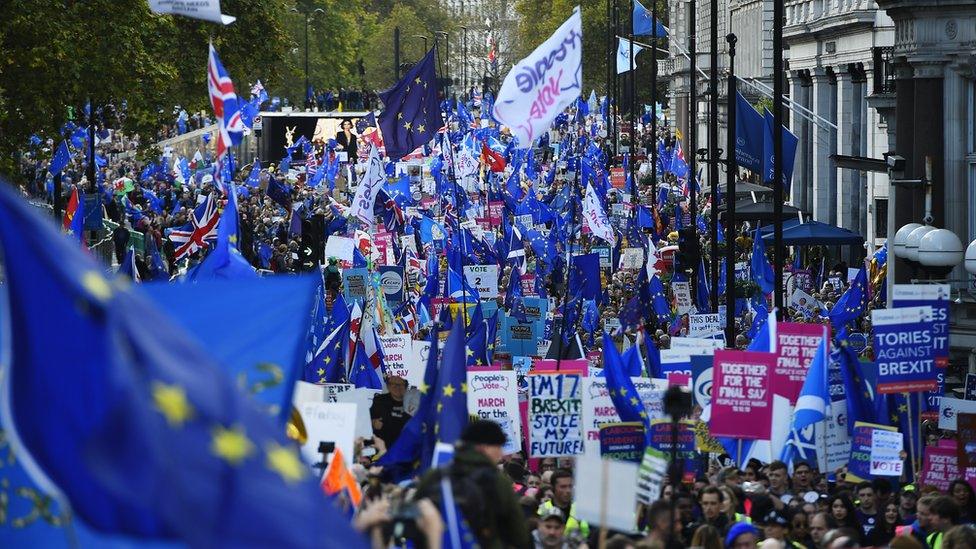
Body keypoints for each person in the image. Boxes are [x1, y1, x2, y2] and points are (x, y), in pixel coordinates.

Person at [413, 419, 529, 549]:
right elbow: (519, 534)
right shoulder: (498, 481)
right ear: (484, 447)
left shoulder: (435, 475)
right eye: (498, 447)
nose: (501, 453)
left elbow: (413, 517)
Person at [538, 469, 589, 542]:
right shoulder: (542, 509)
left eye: (570, 486)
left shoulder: (580, 510)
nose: (568, 490)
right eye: (563, 487)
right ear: (553, 488)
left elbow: (586, 536)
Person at [369, 375, 411, 446]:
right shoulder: (380, 401)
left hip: (406, 443)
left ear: (405, 387)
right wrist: (373, 423)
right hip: (382, 444)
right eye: (393, 385)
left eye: (400, 385)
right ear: (388, 387)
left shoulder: (414, 400)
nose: (397, 387)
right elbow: (367, 420)